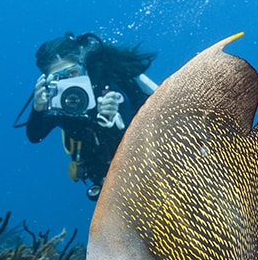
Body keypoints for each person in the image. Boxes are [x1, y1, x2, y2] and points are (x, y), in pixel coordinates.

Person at [19, 32, 157, 200]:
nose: (68, 84)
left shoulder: (105, 86)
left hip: (149, 162)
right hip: (106, 180)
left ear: (84, 67)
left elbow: (135, 137)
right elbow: (35, 136)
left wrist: (112, 119)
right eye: (58, 78)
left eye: (72, 73)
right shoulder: (56, 102)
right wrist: (38, 109)